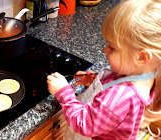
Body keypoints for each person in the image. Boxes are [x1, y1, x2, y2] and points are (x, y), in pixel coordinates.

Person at [47, 0, 161, 139]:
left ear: (142, 57)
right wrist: (94, 81)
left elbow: (84, 123)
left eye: (112, 47)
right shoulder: (146, 74)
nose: (104, 50)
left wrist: (63, 92)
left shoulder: (121, 96)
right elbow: (117, 83)